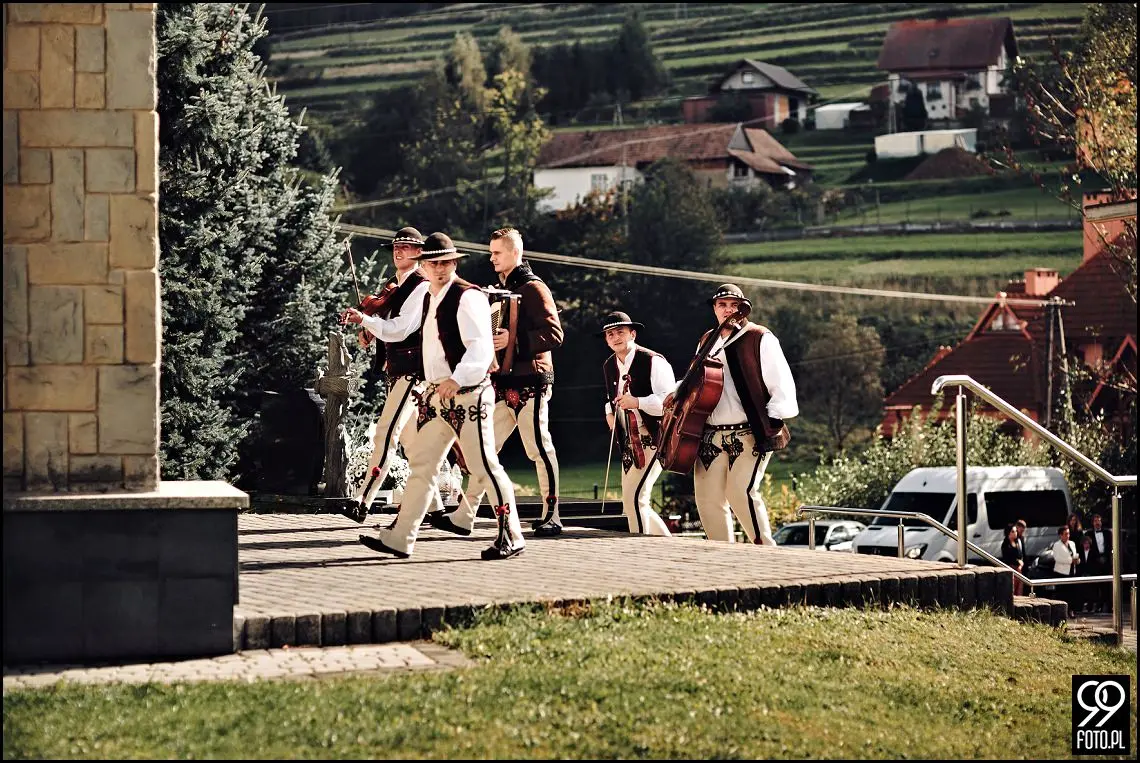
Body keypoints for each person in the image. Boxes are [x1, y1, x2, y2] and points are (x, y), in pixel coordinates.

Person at [342, 232, 526, 561]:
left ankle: (511, 534)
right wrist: (430, 385)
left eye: (445, 263)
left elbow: (481, 349)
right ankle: (400, 538)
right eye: (433, 263)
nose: (439, 269)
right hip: (439, 396)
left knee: (484, 464)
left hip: (469, 393)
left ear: (454, 263)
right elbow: (431, 348)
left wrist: (456, 380)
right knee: (422, 465)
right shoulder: (429, 295)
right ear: (423, 266)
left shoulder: (467, 296)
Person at [443, 227, 566, 537]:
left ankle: (552, 516)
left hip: (533, 382)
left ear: (515, 253)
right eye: (491, 252)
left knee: (538, 447)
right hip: (504, 384)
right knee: (485, 450)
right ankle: (464, 516)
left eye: (497, 252)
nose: (492, 257)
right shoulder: (500, 290)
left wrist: (514, 339)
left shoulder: (534, 288)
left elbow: (555, 335)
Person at [669, 284, 798, 545]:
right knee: (708, 499)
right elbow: (697, 379)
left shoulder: (760, 337)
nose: (727, 310)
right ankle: (724, 560)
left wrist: (771, 420)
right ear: (714, 309)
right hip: (710, 433)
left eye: (733, 305)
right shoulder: (706, 340)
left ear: (742, 308)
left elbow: (781, 382)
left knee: (741, 492)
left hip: (749, 430)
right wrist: (676, 391)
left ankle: (766, 554)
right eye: (721, 305)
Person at [341, 226, 446, 524]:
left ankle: (363, 499)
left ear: (419, 253)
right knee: (412, 445)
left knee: (386, 433)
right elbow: (385, 322)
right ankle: (436, 509)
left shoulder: (420, 285)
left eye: (406, 247)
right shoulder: (395, 285)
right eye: (396, 247)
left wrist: (366, 319)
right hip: (397, 372)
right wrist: (369, 330)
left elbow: (401, 329)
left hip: (412, 373)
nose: (398, 251)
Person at [598, 311, 675, 536]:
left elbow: (670, 403)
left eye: (620, 332)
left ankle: (639, 545)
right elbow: (609, 397)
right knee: (632, 499)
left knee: (636, 497)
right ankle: (665, 543)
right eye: (610, 334)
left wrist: (637, 402)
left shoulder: (653, 361)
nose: (615, 337)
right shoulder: (609, 365)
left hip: (654, 437)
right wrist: (609, 412)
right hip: (628, 440)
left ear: (632, 334)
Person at [1085, 512, 1113, 613]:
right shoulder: (1088, 534)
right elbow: (1088, 548)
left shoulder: (1107, 532)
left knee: (1107, 585)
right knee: (1095, 586)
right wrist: (1097, 558)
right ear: (1092, 523)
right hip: (1095, 562)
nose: (1097, 523)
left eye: (1099, 521)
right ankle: (1095, 606)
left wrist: (1106, 556)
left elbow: (1111, 546)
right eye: (1095, 521)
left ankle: (1108, 607)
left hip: (1106, 561)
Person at [1050, 525, 1079, 612]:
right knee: (1062, 594)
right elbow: (1057, 558)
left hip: (1071, 571)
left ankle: (1071, 611)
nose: (1068, 536)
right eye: (1066, 534)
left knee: (1071, 593)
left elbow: (1075, 555)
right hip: (1060, 572)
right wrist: (1071, 561)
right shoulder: (1056, 545)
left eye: (1068, 534)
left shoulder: (1072, 543)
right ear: (1061, 535)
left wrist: (1077, 560)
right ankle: (1061, 612)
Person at [1000, 523, 1025, 596]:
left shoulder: (1018, 542)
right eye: (1013, 531)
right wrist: (1018, 562)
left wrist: (1020, 565)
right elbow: (1007, 558)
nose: (1015, 533)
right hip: (1011, 569)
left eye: (1016, 531)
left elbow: (1021, 555)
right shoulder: (1005, 544)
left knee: (1019, 590)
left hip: (1019, 569)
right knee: (1012, 590)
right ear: (1008, 533)